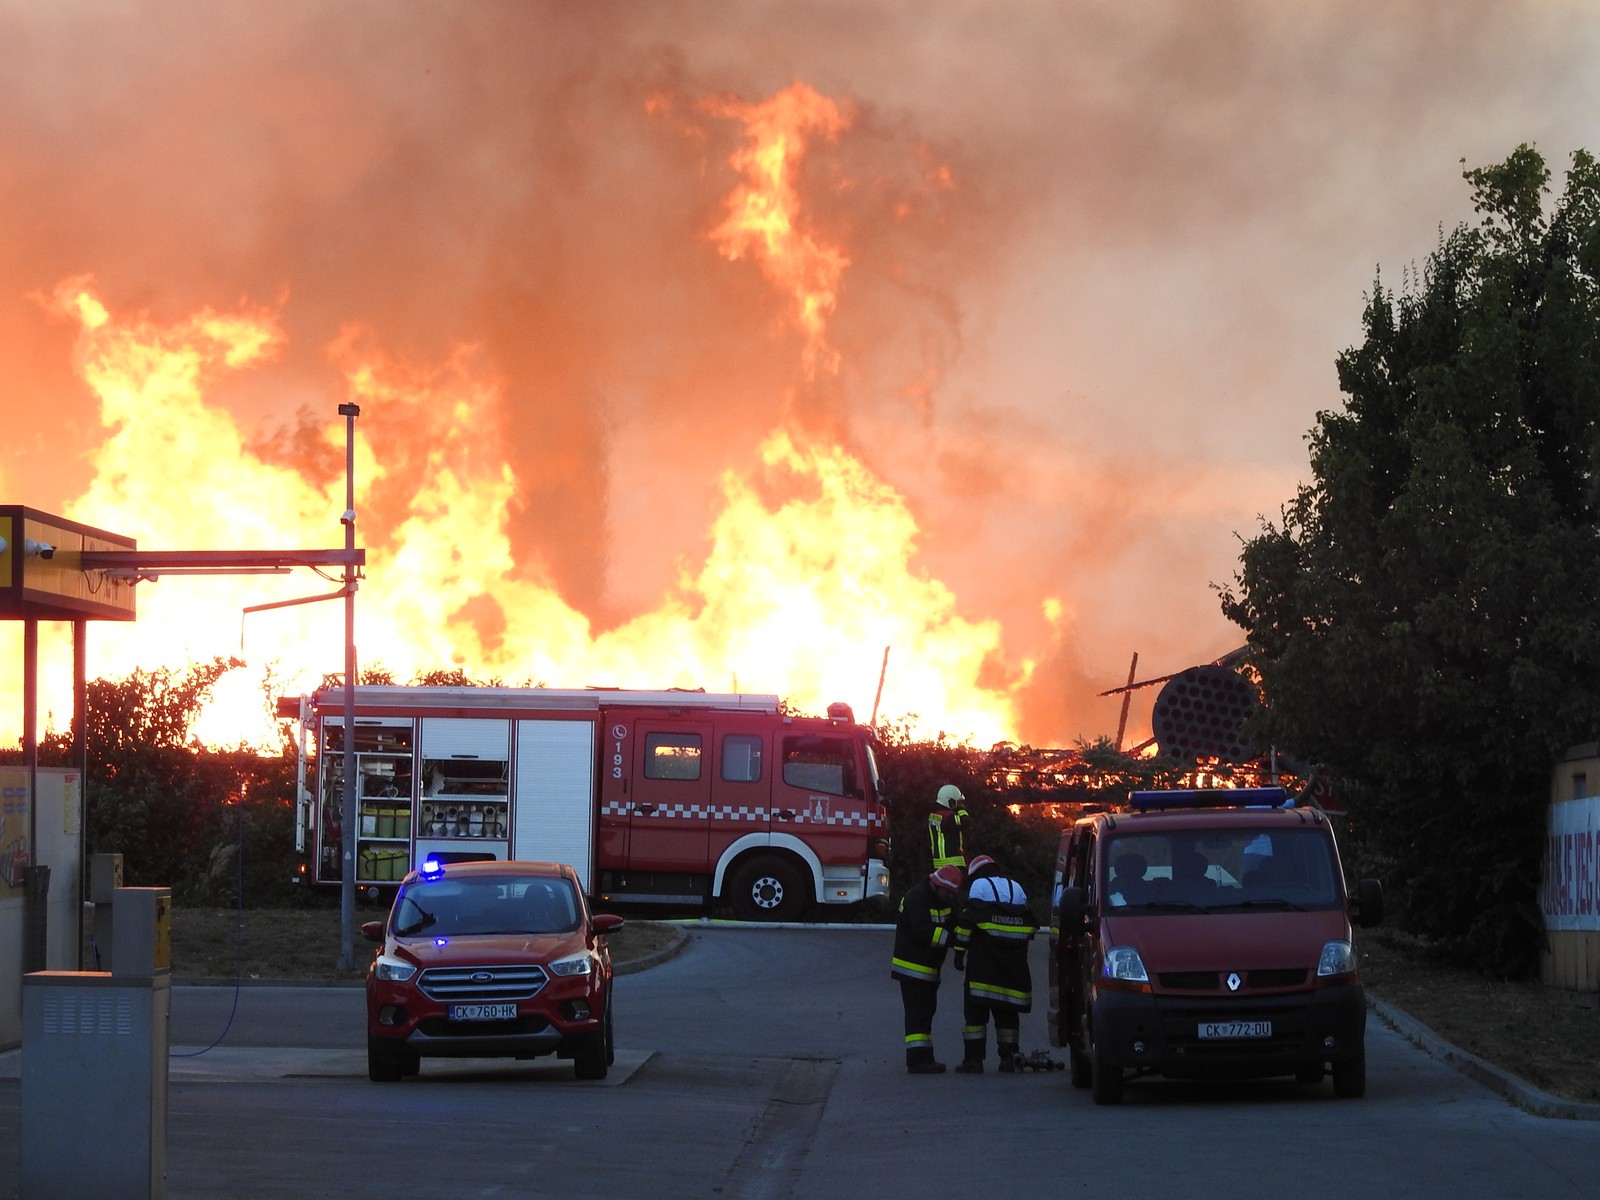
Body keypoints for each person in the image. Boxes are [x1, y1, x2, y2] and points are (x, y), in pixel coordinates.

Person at [952, 854, 1037, 1073]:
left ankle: (973, 1060)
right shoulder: (1016, 887)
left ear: (976, 873)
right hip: (1013, 965)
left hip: (983, 963)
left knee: (975, 1015)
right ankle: (1009, 1058)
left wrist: (959, 953)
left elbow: (967, 922)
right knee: (1008, 1013)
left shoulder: (979, 886)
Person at [889, 864, 965, 1073]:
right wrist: (953, 940)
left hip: (929, 970)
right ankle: (917, 1061)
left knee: (926, 1013)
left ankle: (925, 1058)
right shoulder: (916, 898)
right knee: (918, 1015)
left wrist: (962, 943)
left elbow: (955, 924)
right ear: (938, 886)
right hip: (912, 969)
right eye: (948, 893)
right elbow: (924, 932)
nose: (951, 898)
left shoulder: (942, 900)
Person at [927, 783, 969, 871]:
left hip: (938, 862)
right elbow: (966, 821)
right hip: (953, 861)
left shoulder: (933, 815)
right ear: (950, 801)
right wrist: (961, 809)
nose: (959, 804)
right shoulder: (948, 816)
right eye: (957, 802)